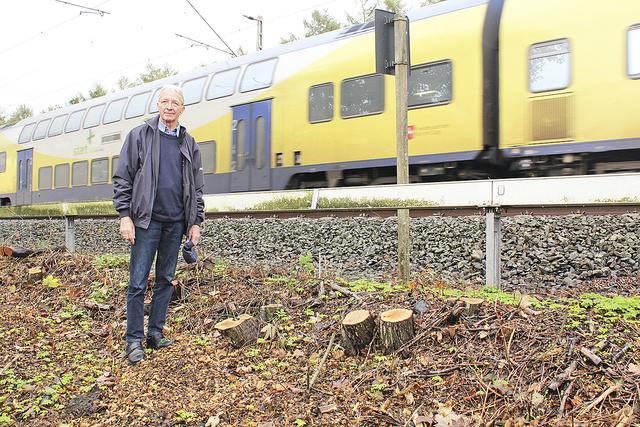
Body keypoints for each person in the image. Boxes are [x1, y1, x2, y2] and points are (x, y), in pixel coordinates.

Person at [113, 85, 205, 364]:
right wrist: (125, 216)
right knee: (138, 282)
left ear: (182, 109)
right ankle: (133, 341)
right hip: (145, 222)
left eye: (175, 102)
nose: (169, 106)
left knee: (165, 280)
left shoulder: (188, 143)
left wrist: (195, 222)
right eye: (165, 101)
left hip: (175, 224)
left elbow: (197, 188)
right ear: (157, 105)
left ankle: (154, 334)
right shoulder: (139, 136)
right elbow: (123, 179)